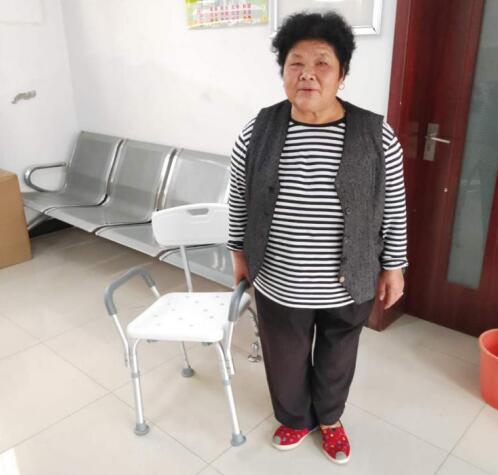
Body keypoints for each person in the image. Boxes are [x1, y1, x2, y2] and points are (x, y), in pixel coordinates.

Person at [227, 11, 408, 465]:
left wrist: (394, 266)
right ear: (283, 73)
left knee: (338, 354)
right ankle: (294, 417)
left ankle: (329, 419)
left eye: (322, 63)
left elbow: (394, 207)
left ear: (342, 75)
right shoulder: (257, 131)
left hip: (349, 280)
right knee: (284, 357)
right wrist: (238, 254)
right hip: (279, 277)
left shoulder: (376, 134)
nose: (307, 73)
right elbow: (239, 198)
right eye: (296, 63)